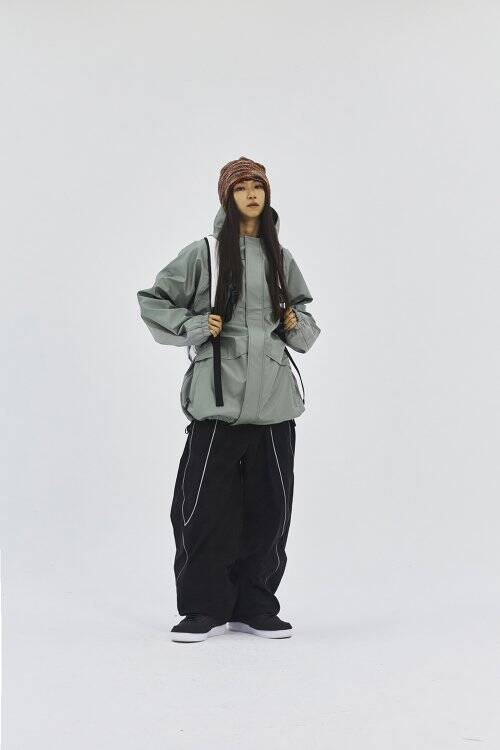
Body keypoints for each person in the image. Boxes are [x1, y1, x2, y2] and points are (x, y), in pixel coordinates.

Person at [137, 156, 321, 643]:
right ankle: (203, 608)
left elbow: (304, 320)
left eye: (258, 185)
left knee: (271, 512)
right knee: (203, 510)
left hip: (275, 406)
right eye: (241, 187)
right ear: (227, 197)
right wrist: (195, 325)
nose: (251, 193)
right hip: (217, 405)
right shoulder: (205, 254)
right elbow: (153, 300)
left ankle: (255, 606)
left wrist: (294, 323)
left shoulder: (281, 257)